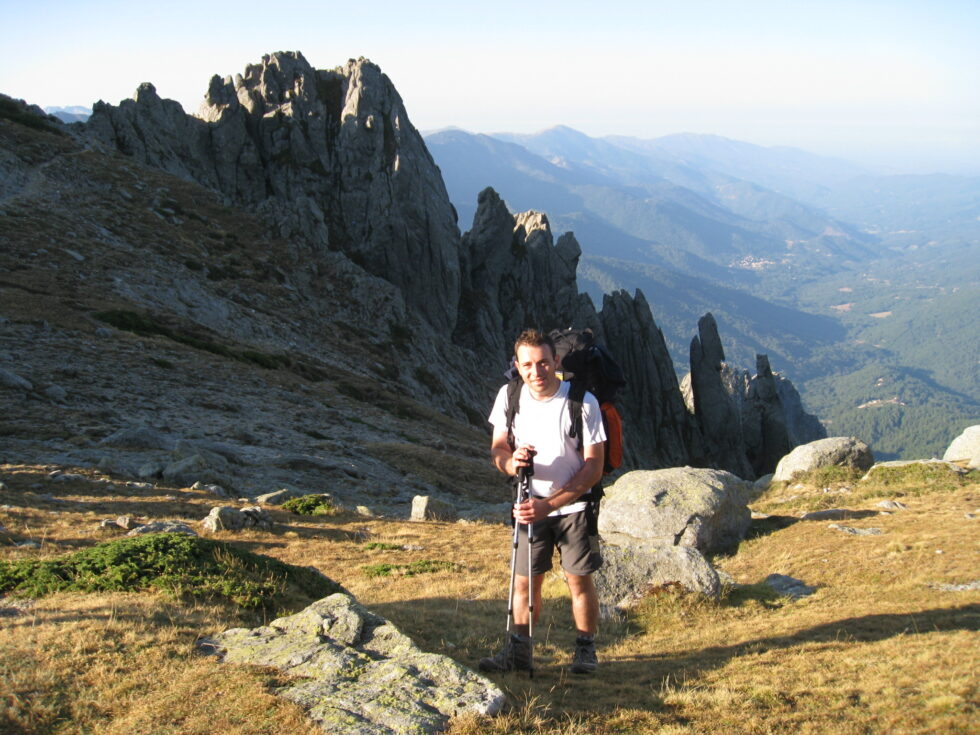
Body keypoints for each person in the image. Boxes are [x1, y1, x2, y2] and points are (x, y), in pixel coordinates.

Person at [479, 328, 606, 674]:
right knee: (524, 581)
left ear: (557, 362)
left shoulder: (583, 401)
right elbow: (498, 448)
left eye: (543, 363)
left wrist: (549, 505)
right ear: (517, 366)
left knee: (578, 580)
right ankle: (518, 654)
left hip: (574, 507)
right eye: (528, 365)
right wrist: (510, 462)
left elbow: (594, 466)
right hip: (527, 502)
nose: (536, 372)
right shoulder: (509, 396)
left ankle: (585, 651)